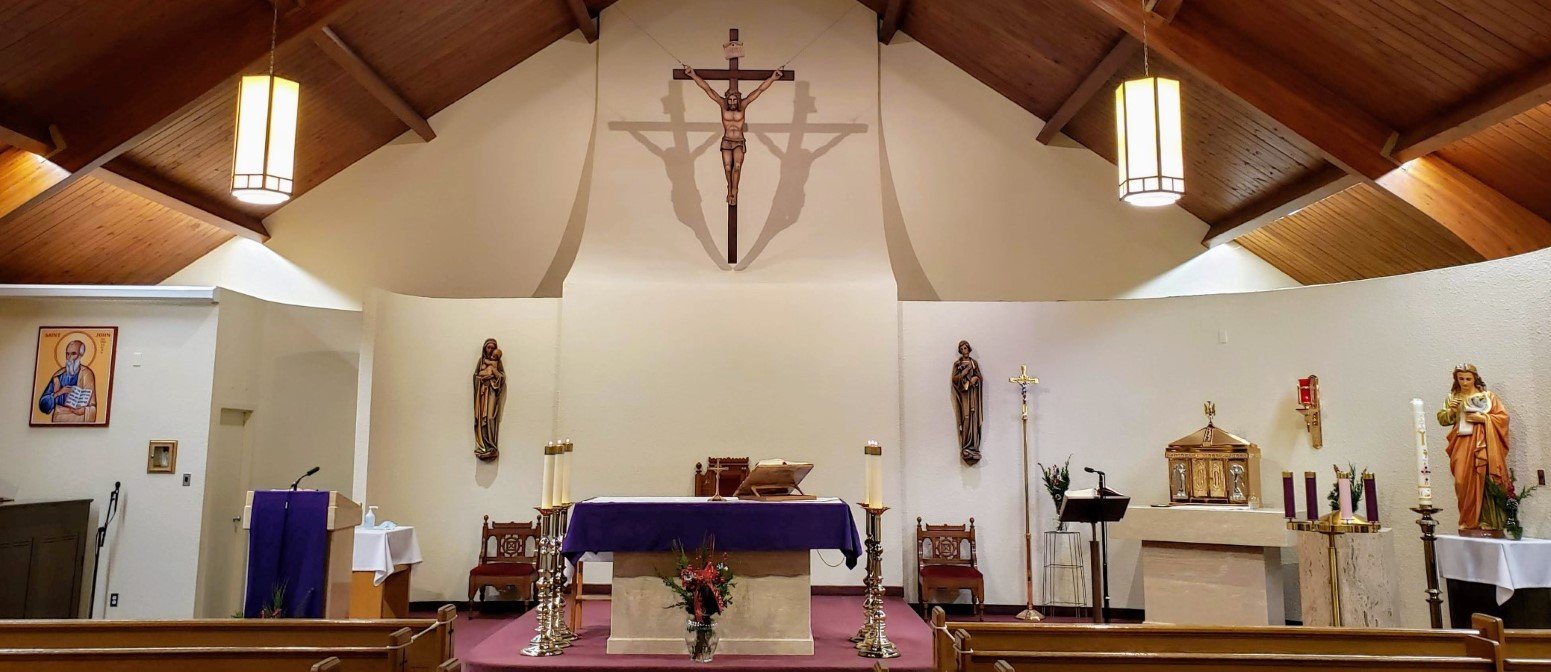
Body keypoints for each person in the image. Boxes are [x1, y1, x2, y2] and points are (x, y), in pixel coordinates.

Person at [683, 65, 784, 206]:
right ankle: (729, 188)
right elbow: (707, 89)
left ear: (738, 99)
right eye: (729, 100)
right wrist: (693, 75)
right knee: (727, 168)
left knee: (737, 166)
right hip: (726, 140)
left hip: (738, 141)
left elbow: (760, 90)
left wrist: (773, 78)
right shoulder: (722, 104)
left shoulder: (744, 104)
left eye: (734, 100)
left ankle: (734, 190)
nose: (731, 103)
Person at [1436, 364, 1510, 535]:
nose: (1465, 382)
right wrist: (1452, 410)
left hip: (1484, 443)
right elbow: (1442, 420)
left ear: (1475, 378)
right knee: (1462, 481)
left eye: (1468, 378)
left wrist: (1483, 418)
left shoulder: (1488, 396)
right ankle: (1468, 521)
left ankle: (1487, 521)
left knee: (1485, 478)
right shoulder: (1453, 397)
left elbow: (1503, 418)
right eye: (1461, 379)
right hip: (1461, 442)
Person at [38, 339, 98, 423]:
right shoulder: (58, 376)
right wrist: (59, 392)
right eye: (67, 354)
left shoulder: (87, 374)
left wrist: (84, 410)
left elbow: (92, 406)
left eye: (73, 354)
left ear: (80, 355)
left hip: (80, 419)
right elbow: (43, 405)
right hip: (59, 418)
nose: (69, 358)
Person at [473, 339, 506, 460]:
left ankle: (491, 446)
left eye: (493, 348)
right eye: (488, 347)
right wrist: (480, 379)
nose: (491, 350)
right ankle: (482, 446)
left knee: (491, 417)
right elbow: (475, 376)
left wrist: (493, 375)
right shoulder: (481, 361)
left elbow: (502, 377)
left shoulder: (497, 362)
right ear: (484, 348)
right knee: (482, 419)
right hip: (482, 395)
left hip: (492, 392)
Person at [952, 340, 984, 464]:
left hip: (973, 395)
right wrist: (964, 373)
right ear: (960, 350)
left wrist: (976, 379)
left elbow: (979, 377)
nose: (964, 350)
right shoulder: (957, 364)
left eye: (966, 348)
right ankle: (966, 446)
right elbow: (954, 379)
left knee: (973, 419)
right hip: (964, 395)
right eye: (962, 348)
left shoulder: (974, 363)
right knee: (965, 418)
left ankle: (974, 447)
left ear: (969, 349)